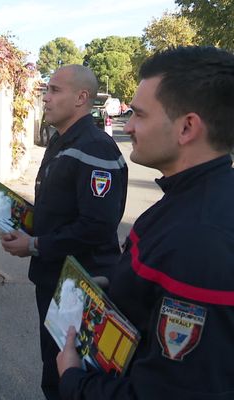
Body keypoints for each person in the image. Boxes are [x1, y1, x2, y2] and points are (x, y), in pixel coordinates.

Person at [57, 46, 234, 399]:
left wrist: (73, 379)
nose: (129, 125)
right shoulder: (189, 200)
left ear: (187, 127)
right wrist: (115, 286)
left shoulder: (200, 241)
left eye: (138, 114)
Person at [1, 65, 128, 399]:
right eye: (47, 89)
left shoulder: (96, 148)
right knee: (53, 369)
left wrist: (35, 244)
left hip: (79, 284)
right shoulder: (62, 140)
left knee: (69, 379)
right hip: (56, 278)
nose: (46, 97)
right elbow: (61, 210)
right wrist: (22, 221)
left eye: (55, 90)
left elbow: (97, 227)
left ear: (81, 98)